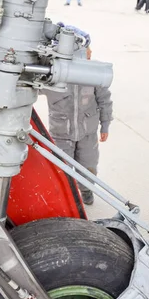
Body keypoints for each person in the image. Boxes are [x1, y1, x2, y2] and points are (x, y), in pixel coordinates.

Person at [46, 30, 113, 206]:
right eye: (87, 49)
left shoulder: (94, 74)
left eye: (89, 49)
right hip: (61, 132)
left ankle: (86, 191)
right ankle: (66, 198)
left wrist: (105, 125)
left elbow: (104, 100)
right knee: (61, 168)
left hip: (87, 132)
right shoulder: (52, 72)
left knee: (88, 165)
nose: (90, 53)